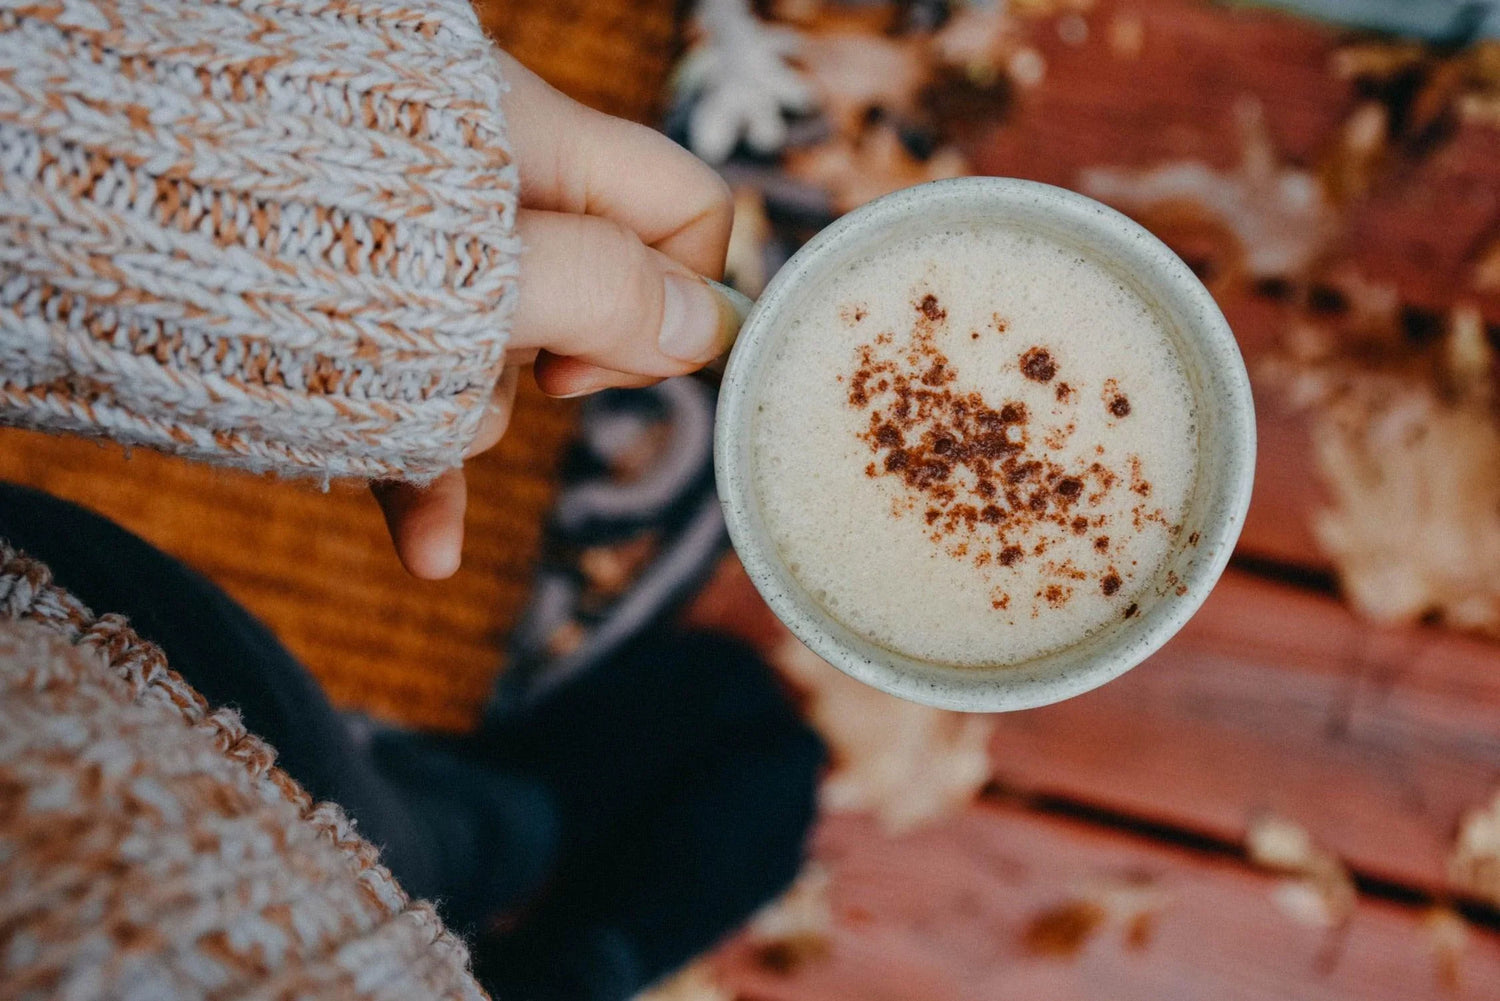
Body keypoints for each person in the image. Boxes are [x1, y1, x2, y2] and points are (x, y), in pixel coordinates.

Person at [0, 3, 823, 999]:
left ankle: (506, 825)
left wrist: (171, 185)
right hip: (261, 886)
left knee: (413, 828)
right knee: (431, 854)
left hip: (100, 715)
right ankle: (570, 948)